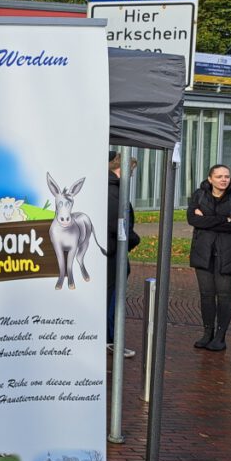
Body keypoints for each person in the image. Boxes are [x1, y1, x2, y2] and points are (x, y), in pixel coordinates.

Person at [187, 164, 231, 352]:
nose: (224, 179)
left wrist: (207, 220)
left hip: (228, 253)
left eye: (227, 176)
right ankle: (207, 333)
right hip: (203, 252)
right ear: (210, 178)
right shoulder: (200, 194)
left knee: (223, 296)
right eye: (219, 176)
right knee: (206, 295)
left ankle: (220, 337)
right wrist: (223, 219)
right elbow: (192, 219)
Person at [107, 151, 141, 358]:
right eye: (132, 171)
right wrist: (134, 239)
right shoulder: (113, 191)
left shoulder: (114, 189)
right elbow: (116, 223)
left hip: (115, 252)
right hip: (113, 254)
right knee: (112, 299)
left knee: (113, 298)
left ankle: (110, 339)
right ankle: (110, 341)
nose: (132, 176)